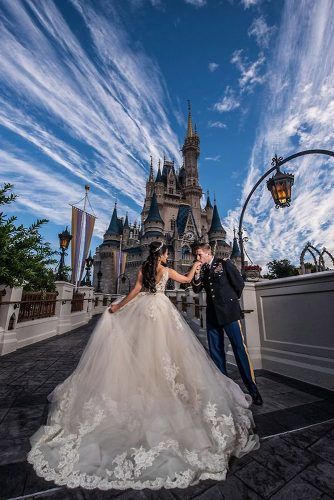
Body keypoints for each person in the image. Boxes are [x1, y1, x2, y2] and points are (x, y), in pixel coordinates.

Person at [28, 241, 259, 491]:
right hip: (162, 311)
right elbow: (186, 281)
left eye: (196, 253)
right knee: (170, 353)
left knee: (144, 352)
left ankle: (147, 387)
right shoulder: (167, 270)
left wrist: (117, 306)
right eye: (170, 253)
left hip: (147, 311)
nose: (173, 256)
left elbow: (135, 290)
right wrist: (194, 267)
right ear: (164, 255)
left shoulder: (145, 269)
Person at [192, 242, 263, 406]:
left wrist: (230, 302)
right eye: (196, 255)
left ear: (208, 252)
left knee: (240, 350)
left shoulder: (224, 264)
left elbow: (239, 284)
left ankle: (253, 389)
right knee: (216, 353)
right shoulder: (202, 270)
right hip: (212, 316)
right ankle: (223, 389)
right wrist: (196, 275)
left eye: (199, 254)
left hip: (229, 314)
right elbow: (196, 290)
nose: (197, 258)